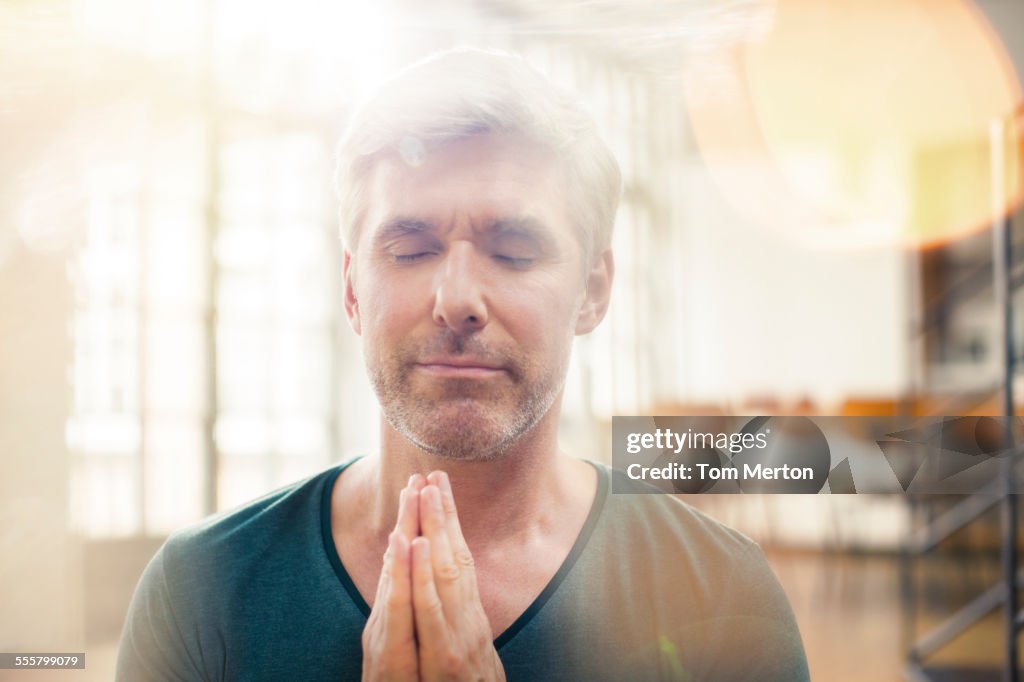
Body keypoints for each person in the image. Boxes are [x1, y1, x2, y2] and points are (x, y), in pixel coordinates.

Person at [116, 47, 809, 681]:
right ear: (353, 290)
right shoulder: (199, 587)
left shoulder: (723, 590)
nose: (456, 300)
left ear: (593, 292)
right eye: (411, 250)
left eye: (513, 251)